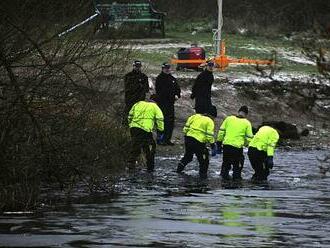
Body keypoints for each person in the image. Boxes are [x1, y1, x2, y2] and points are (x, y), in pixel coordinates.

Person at [177, 105, 217, 179]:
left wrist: (188, 136)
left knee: (188, 157)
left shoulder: (194, 116)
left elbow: (185, 129)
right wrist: (213, 145)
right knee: (204, 161)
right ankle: (203, 178)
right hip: (198, 142)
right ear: (212, 115)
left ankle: (178, 170)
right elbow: (209, 135)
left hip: (188, 139)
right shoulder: (209, 121)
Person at [127, 95, 164, 172]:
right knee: (150, 147)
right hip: (145, 130)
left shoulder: (138, 103)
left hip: (134, 128)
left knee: (136, 144)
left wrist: (131, 125)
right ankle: (150, 167)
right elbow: (160, 119)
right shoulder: (154, 106)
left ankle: (131, 165)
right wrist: (160, 131)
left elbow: (130, 115)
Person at [216, 106, 253, 180]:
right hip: (237, 148)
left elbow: (221, 132)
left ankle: (223, 183)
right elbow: (249, 138)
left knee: (225, 165)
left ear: (238, 111)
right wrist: (245, 144)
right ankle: (236, 185)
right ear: (246, 114)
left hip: (226, 146)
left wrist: (219, 143)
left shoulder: (229, 119)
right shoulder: (247, 123)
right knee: (237, 168)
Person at [155, 62, 181, 146]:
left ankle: (167, 139)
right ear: (162, 69)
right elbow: (160, 91)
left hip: (170, 104)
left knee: (170, 122)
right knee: (162, 122)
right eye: (166, 68)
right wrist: (170, 95)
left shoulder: (172, 79)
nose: (167, 70)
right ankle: (161, 139)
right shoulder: (159, 78)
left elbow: (177, 89)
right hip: (162, 103)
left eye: (168, 68)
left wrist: (177, 95)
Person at [124, 60, 149, 125]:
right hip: (130, 100)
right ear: (133, 66)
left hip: (140, 100)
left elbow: (146, 89)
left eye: (139, 66)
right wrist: (139, 85)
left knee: (139, 118)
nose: (138, 68)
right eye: (136, 66)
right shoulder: (128, 76)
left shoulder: (144, 77)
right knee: (128, 117)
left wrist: (140, 87)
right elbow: (128, 88)